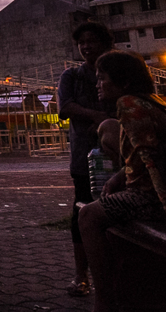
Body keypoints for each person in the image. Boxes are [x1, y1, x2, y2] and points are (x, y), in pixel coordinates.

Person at [79, 51, 166, 312]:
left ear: (124, 82)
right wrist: (119, 177)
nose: (98, 84)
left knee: (88, 216)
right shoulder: (150, 101)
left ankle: (105, 303)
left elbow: (151, 159)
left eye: (103, 79)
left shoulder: (129, 104)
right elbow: (144, 152)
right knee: (109, 128)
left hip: (159, 196)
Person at [57, 22, 117, 297]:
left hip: (119, 155)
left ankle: (119, 273)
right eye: (82, 42)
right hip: (85, 157)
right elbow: (65, 107)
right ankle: (82, 274)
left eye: (92, 41)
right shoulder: (72, 76)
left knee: (119, 212)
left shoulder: (117, 71)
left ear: (106, 43)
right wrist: (98, 117)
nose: (86, 47)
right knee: (81, 211)